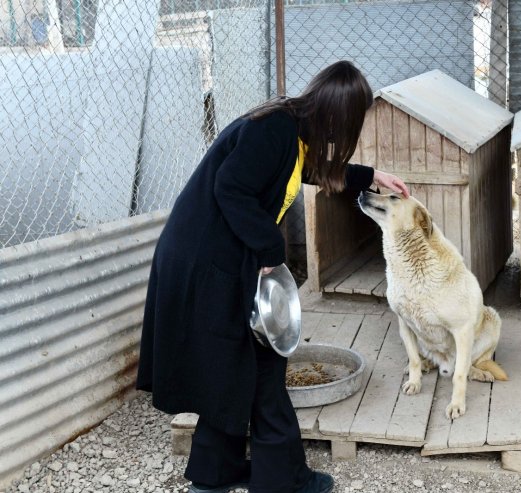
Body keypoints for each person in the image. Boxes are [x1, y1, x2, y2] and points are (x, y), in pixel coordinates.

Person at [135, 60, 409, 493]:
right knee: (263, 364)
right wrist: (269, 249)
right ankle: (284, 483)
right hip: (206, 262)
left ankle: (213, 475)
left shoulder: (294, 130)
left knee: (233, 365)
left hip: (211, 256)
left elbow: (310, 172)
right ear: (339, 116)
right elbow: (231, 187)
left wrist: (370, 176)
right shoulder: (275, 130)